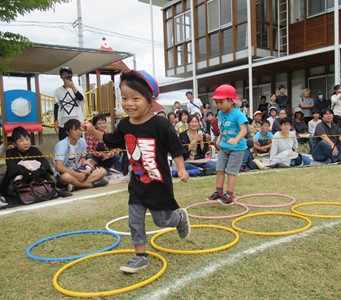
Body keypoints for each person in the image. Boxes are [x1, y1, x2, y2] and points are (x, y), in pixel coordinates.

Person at [82, 70, 190, 273]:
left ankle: (180, 218)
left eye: (135, 98)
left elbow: (176, 148)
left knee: (162, 220)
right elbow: (110, 140)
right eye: (124, 98)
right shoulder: (124, 125)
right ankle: (140, 256)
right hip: (138, 183)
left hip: (158, 184)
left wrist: (182, 169)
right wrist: (91, 131)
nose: (129, 103)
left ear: (149, 100)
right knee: (134, 219)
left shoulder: (160, 124)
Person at [207, 84, 247, 205]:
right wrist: (219, 139)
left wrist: (236, 139)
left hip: (237, 148)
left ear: (231, 100)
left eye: (221, 102)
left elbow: (244, 130)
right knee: (219, 169)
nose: (218, 105)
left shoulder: (238, 114)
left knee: (231, 171)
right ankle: (219, 191)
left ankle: (229, 194)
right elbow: (223, 129)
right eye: (216, 102)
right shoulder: (220, 113)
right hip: (224, 147)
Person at [0, 127, 55, 204]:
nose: (25, 143)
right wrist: (28, 173)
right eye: (21, 141)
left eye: (27, 139)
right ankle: (24, 194)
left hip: (36, 176)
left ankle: (45, 190)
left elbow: (45, 164)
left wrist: (38, 171)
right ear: (15, 143)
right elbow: (13, 169)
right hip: (21, 177)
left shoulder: (34, 150)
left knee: (45, 173)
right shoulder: (10, 153)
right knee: (18, 177)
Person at [54, 119, 108, 192]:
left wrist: (86, 165)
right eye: (75, 130)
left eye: (80, 129)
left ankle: (76, 185)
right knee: (65, 177)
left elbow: (82, 158)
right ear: (67, 132)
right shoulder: (62, 145)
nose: (79, 132)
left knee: (103, 171)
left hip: (78, 170)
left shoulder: (82, 141)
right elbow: (59, 167)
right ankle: (89, 185)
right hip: (66, 172)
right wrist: (76, 174)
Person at [54, 66, 85, 141]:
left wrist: (72, 87)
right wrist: (55, 121)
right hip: (63, 122)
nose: (66, 76)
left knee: (77, 144)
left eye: (68, 74)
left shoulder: (78, 88)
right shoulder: (57, 91)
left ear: (72, 75)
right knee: (63, 144)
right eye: (64, 74)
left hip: (77, 121)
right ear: (61, 76)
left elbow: (81, 99)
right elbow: (56, 106)